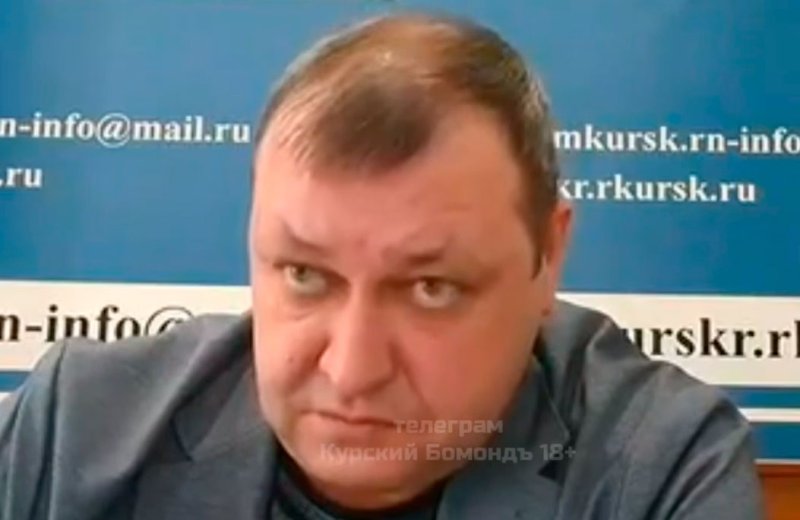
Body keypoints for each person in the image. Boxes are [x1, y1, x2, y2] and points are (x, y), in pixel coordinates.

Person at [0, 11, 765, 520]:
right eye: (305, 275)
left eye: (431, 288)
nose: (352, 369)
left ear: (548, 255)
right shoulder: (77, 427)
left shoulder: (658, 466)